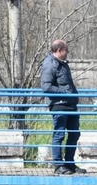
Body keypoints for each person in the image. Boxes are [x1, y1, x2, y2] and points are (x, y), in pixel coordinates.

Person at [41, 39, 85, 175]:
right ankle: (58, 165)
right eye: (66, 50)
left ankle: (69, 163)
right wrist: (65, 93)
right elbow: (46, 86)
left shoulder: (63, 64)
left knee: (74, 134)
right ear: (60, 51)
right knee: (59, 135)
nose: (68, 53)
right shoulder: (50, 65)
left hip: (70, 104)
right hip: (59, 105)